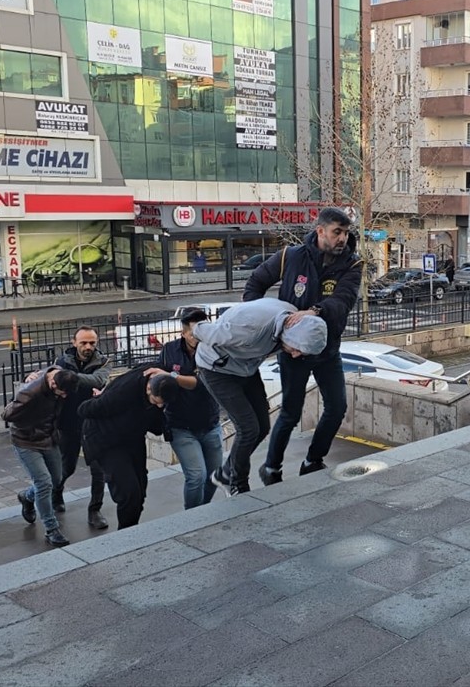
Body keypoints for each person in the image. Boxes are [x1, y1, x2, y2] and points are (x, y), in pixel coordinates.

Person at [243, 207, 362, 484]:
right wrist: (271, 331)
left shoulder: (352, 265)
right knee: (290, 412)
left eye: (346, 233)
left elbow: (342, 302)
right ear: (320, 231)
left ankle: (313, 460)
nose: (342, 238)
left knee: (337, 407)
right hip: (291, 352)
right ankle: (271, 467)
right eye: (337, 232)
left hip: (327, 351)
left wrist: (314, 311)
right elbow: (255, 284)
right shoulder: (290, 256)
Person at [195, 298, 328, 495]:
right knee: (248, 428)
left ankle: (224, 473)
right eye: (297, 349)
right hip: (217, 370)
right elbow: (204, 330)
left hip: (245, 368)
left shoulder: (291, 318)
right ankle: (236, 483)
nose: (295, 355)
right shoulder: (248, 332)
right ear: (291, 336)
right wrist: (194, 324)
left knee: (263, 427)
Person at [77, 366, 177, 530]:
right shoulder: (122, 393)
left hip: (132, 438)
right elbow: (84, 410)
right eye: (157, 402)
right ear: (148, 388)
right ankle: (125, 535)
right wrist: (99, 398)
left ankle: (131, 528)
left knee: (140, 491)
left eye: (163, 404)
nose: (159, 407)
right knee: (128, 492)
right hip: (106, 441)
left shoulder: (161, 383)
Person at [145, 307, 223, 508]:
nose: (197, 338)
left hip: (211, 424)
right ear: (183, 333)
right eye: (193, 334)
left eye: (202, 332)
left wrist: (170, 376)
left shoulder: (213, 350)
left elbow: (201, 384)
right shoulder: (169, 350)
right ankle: (191, 516)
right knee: (196, 476)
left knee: (214, 476)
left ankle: (202, 510)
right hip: (180, 426)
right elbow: (155, 375)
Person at [2, 366, 79, 548]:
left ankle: (27, 497)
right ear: (53, 384)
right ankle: (52, 529)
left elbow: (53, 369)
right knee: (44, 483)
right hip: (26, 441)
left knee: (56, 479)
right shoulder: (30, 393)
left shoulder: (59, 374)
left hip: (49, 438)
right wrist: (26, 411)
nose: (64, 396)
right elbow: (6, 414)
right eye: (62, 392)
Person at [52, 326, 111, 530]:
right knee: (66, 467)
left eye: (92, 343)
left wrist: (69, 378)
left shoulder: (103, 361)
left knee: (98, 469)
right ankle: (56, 493)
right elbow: (52, 378)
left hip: (93, 424)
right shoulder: (62, 361)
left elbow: (98, 379)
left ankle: (95, 510)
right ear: (74, 342)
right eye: (83, 342)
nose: (88, 347)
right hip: (67, 423)